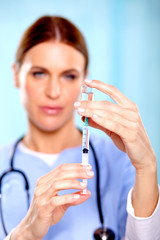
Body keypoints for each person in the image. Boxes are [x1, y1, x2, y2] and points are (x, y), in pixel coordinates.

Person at [0, 15, 160, 240]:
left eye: (69, 76)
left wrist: (148, 167)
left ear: (85, 79)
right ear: (16, 75)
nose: (54, 91)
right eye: (39, 73)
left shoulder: (120, 161)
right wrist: (25, 233)